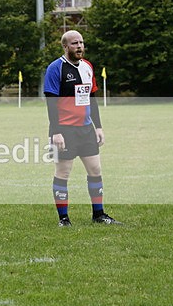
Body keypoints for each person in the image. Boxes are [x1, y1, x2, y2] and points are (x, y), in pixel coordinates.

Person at [43, 30, 121, 227]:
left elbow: (92, 99)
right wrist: (56, 132)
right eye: (74, 43)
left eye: (81, 43)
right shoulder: (55, 68)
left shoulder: (87, 67)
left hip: (86, 129)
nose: (79, 46)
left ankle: (99, 214)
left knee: (95, 170)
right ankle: (64, 219)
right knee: (63, 173)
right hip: (65, 131)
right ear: (65, 46)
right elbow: (51, 103)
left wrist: (99, 127)